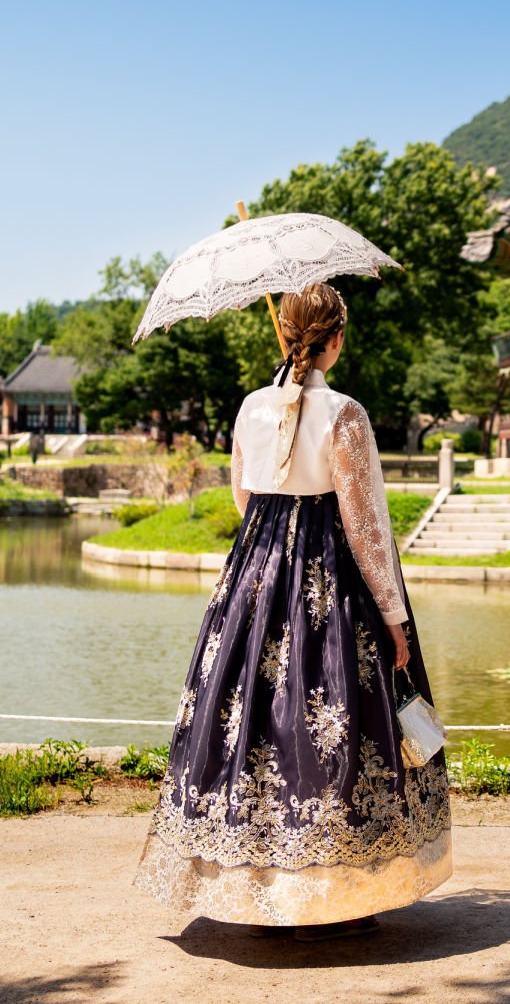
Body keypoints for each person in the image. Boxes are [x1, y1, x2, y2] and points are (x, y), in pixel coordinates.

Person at [134, 283, 451, 939]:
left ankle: (258, 889)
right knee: (333, 728)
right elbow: (364, 525)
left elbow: (243, 498)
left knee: (251, 725)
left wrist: (272, 547)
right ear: (336, 337)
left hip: (256, 575)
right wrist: (392, 616)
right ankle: (333, 895)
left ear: (285, 332)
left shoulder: (251, 407)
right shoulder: (345, 414)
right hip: (328, 578)